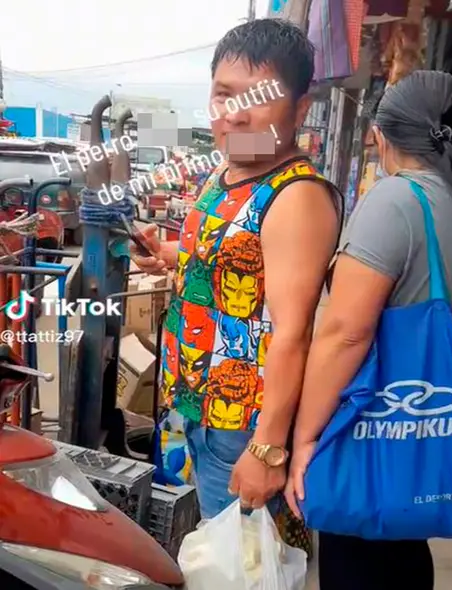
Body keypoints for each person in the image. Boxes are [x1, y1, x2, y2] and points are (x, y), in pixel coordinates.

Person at [128, 19, 342, 555]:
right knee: (218, 555)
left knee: (247, 565)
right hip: (194, 403)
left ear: (299, 107)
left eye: (259, 98)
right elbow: (235, 261)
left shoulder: (296, 197)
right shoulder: (224, 173)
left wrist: (268, 450)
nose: (236, 115)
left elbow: (293, 333)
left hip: (242, 427)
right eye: (224, 96)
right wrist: (170, 255)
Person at [285, 70, 452, 590]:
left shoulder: (395, 201)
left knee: (360, 547)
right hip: (450, 415)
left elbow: (345, 335)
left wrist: (305, 440)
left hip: (381, 420)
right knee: (404, 545)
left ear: (380, 136)